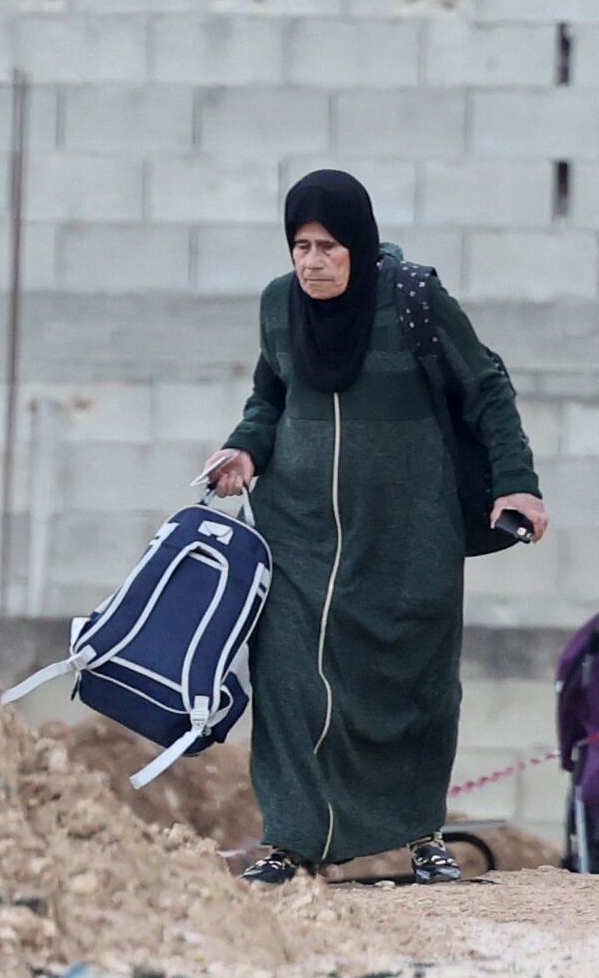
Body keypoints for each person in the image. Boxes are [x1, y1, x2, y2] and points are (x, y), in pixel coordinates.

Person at [198, 170, 548, 885]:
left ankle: (422, 836)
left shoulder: (413, 299)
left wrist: (518, 481)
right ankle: (291, 842)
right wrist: (242, 448)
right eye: (300, 245)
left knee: (411, 685)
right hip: (295, 533)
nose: (312, 261)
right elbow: (269, 395)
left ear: (356, 244)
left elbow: (485, 385)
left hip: (407, 533)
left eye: (328, 246)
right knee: (289, 684)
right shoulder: (277, 307)